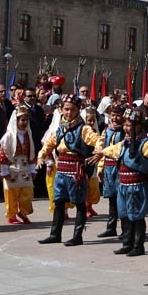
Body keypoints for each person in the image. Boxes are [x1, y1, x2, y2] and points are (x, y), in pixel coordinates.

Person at [94, 107, 148, 257]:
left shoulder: (144, 143)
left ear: (139, 126)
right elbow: (114, 149)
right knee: (124, 215)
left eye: (130, 125)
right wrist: (102, 152)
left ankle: (138, 246)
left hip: (137, 186)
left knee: (137, 217)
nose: (126, 128)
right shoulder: (125, 142)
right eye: (125, 125)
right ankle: (127, 243)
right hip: (123, 185)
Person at [37, 95, 103, 246]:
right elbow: (49, 144)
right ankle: (55, 234)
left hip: (76, 171)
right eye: (66, 109)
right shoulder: (60, 129)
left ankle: (77, 236)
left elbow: (97, 139)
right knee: (58, 202)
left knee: (80, 203)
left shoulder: (84, 129)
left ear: (78, 110)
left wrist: (99, 150)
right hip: (61, 170)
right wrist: (41, 156)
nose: (68, 113)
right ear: (61, 110)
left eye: (72, 110)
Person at [0, 104, 37, 225]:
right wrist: (4, 171)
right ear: (16, 121)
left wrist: (32, 169)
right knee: (12, 194)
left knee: (27, 192)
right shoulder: (9, 136)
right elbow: (3, 152)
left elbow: (31, 152)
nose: (25, 122)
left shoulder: (28, 135)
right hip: (12, 168)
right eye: (22, 120)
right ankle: (11, 216)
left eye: (26, 120)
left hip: (25, 168)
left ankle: (23, 212)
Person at [97, 104, 126, 238]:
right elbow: (102, 150)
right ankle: (111, 227)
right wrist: (100, 168)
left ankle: (126, 228)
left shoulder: (126, 132)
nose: (115, 118)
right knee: (112, 199)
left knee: (122, 199)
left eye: (118, 115)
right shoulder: (106, 131)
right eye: (113, 115)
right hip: (109, 168)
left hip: (121, 168)